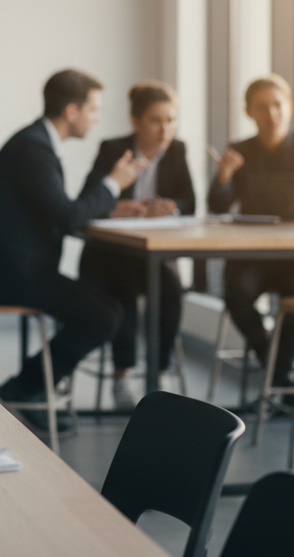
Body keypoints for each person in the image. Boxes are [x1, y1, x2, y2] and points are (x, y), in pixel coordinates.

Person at [0, 69, 146, 429]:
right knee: (102, 316)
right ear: (71, 111)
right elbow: (68, 215)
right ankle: (25, 388)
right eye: (93, 109)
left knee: (108, 310)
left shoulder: (37, 143)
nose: (97, 117)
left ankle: (29, 387)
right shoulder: (34, 148)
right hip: (5, 273)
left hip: (17, 267)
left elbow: (58, 208)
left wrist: (110, 202)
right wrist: (112, 185)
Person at [209, 75, 294, 387]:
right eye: (262, 107)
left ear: (290, 107)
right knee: (235, 293)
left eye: (278, 105)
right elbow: (218, 206)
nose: (271, 114)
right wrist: (224, 176)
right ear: (248, 112)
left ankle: (276, 380)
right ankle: (276, 368)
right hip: (254, 255)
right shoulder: (239, 150)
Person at [78, 80, 196, 410]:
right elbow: (89, 200)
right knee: (123, 291)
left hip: (153, 254)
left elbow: (190, 201)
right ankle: (122, 376)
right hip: (110, 255)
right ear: (136, 122)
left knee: (171, 290)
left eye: (170, 121)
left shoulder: (177, 151)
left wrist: (171, 207)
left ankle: (158, 373)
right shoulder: (112, 148)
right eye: (156, 121)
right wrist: (116, 206)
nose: (164, 130)